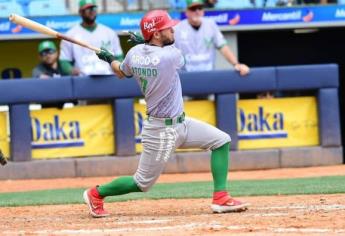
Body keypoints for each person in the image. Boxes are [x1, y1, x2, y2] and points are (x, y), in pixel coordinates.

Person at [83, 9, 250, 218]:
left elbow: (121, 71)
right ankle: (96, 194)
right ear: (156, 34)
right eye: (167, 28)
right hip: (161, 130)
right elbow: (162, 56)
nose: (172, 30)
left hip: (181, 123)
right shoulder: (171, 56)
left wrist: (109, 58)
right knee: (142, 183)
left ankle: (221, 197)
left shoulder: (134, 55)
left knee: (221, 140)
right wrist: (141, 44)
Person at [174, 0, 250, 74]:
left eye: (200, 8)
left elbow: (223, 47)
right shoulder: (178, 28)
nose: (197, 11)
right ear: (187, 12)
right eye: (193, 9)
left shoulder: (210, 24)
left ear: (203, 11)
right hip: (187, 76)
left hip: (208, 74)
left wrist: (236, 64)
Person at [59, 0, 123, 76]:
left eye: (93, 8)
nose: (92, 11)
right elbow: (64, 61)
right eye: (88, 9)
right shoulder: (70, 35)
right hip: (84, 79)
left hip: (108, 76)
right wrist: (71, 70)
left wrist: (118, 68)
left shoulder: (109, 33)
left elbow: (119, 56)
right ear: (80, 12)